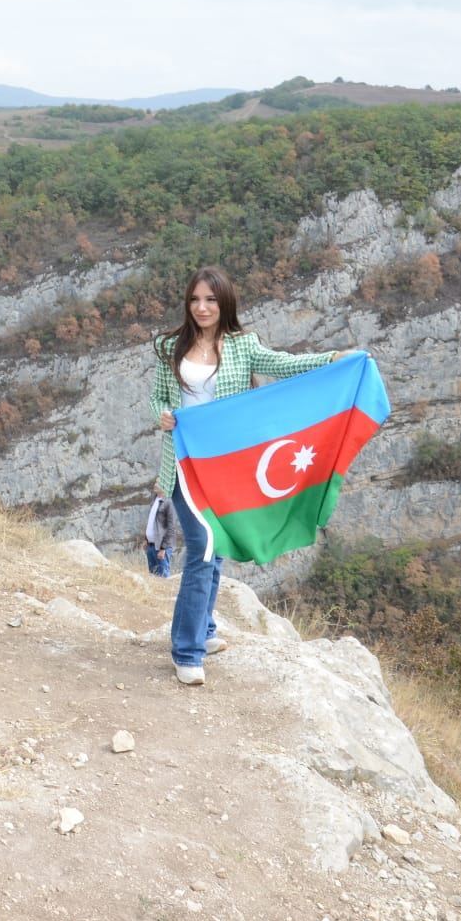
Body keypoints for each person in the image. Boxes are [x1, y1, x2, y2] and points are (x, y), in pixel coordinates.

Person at [150, 266, 350, 686]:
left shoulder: (243, 346)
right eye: (195, 299)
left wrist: (331, 359)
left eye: (210, 300)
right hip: (184, 464)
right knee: (203, 545)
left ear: (225, 303)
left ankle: (203, 632)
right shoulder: (170, 345)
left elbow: (284, 364)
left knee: (216, 546)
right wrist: (162, 416)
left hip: (226, 465)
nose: (202, 307)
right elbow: (157, 397)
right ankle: (186, 651)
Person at [143, 486, 177, 578]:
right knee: (153, 577)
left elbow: (171, 527)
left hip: (161, 547)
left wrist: (163, 548)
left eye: (158, 482)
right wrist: (146, 539)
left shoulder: (169, 502)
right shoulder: (154, 500)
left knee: (163, 577)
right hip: (151, 546)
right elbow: (151, 521)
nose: (154, 484)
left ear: (164, 485)